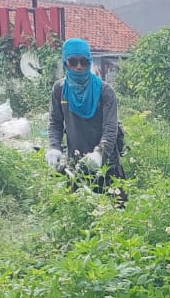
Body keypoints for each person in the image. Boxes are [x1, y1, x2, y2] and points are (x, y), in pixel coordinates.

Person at [47, 37, 124, 192]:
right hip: (75, 162)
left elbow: (110, 128)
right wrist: (54, 146)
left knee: (115, 209)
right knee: (78, 209)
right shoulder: (60, 90)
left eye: (84, 61)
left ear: (89, 62)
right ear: (65, 63)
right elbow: (55, 122)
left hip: (106, 163)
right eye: (73, 62)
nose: (79, 66)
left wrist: (99, 153)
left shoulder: (104, 91)